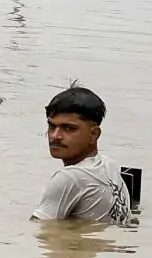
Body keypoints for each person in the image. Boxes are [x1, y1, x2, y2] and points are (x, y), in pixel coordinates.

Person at [33, 85, 132, 225]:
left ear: (94, 134)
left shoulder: (70, 177)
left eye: (69, 128)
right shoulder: (109, 166)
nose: (55, 136)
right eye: (52, 126)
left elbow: (38, 233)